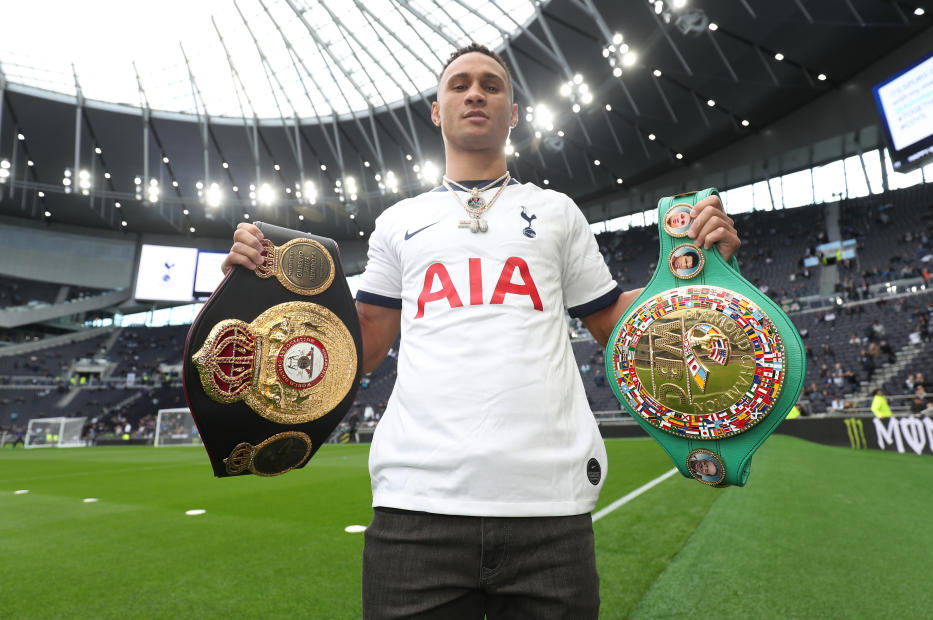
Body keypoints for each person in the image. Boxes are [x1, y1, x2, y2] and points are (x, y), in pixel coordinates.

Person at [222, 43, 740, 619]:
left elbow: (613, 323)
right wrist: (267, 286)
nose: (475, 93)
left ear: (513, 112)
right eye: (460, 85)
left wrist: (693, 270)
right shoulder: (398, 221)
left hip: (550, 508)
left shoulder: (558, 212)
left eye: (492, 85)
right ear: (437, 111)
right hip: (414, 507)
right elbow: (363, 343)